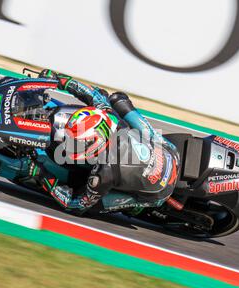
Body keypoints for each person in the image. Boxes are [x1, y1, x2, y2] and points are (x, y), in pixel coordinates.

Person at [29, 69, 181, 215]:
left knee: (90, 203)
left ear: (95, 144)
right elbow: (92, 94)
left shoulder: (103, 174)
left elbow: (74, 205)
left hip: (159, 193)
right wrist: (58, 79)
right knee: (117, 98)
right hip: (169, 151)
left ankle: (137, 206)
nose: (70, 145)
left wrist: (41, 174)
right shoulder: (108, 116)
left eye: (77, 143)